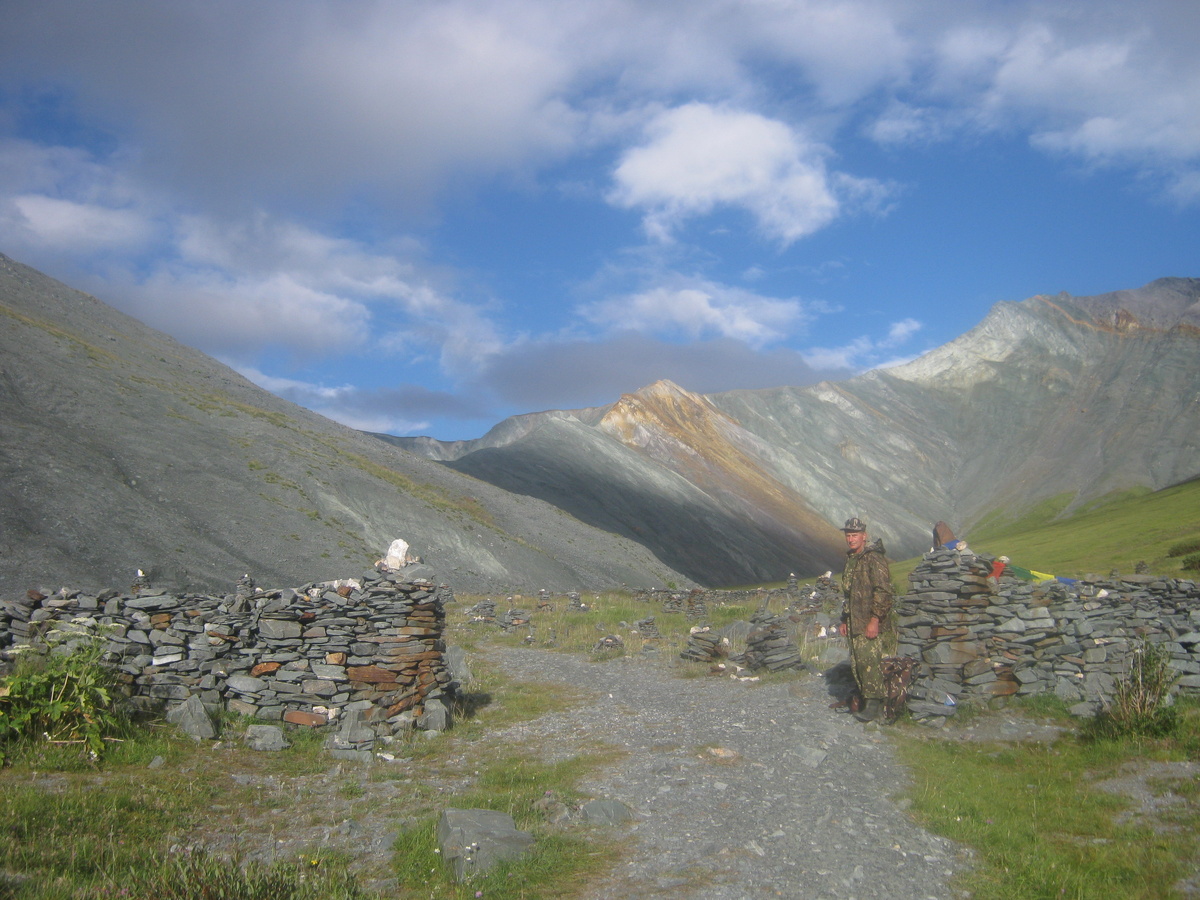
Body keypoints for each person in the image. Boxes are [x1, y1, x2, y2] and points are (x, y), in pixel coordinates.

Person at [838, 516, 895, 723]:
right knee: (858, 662)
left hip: (868, 621)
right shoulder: (851, 559)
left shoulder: (873, 558)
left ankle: (875, 706)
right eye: (848, 535)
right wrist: (845, 619)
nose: (851, 539)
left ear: (864, 536)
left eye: (854, 535)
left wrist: (875, 619)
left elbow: (883, 591)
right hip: (854, 621)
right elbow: (849, 594)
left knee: (870, 662)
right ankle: (865, 700)